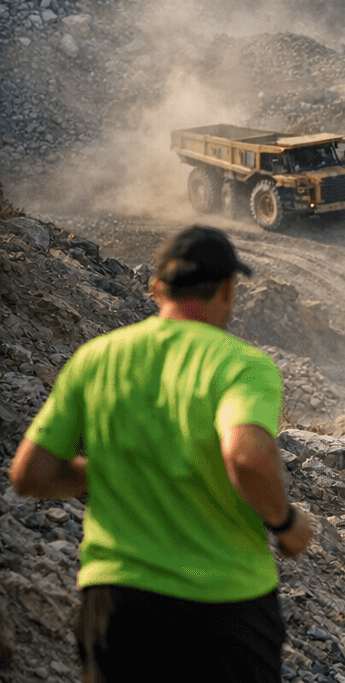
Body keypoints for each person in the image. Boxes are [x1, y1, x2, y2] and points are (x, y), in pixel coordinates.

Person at [10, 225, 314, 683]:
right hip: (226, 603)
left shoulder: (95, 359)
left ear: (155, 289)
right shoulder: (241, 364)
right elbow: (247, 458)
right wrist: (286, 524)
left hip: (116, 598)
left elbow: (31, 473)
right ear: (229, 292)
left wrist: (106, 471)